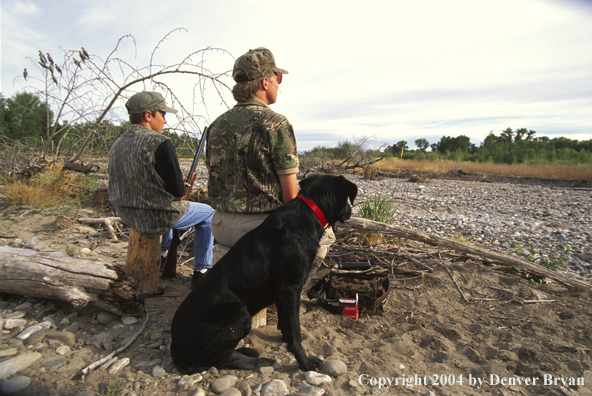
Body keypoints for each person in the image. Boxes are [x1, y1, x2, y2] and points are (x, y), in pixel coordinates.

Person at [206, 47, 334, 258]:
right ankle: (295, 289)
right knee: (324, 235)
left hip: (219, 225)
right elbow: (290, 196)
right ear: (265, 82)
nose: (278, 84)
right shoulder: (276, 123)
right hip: (257, 231)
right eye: (278, 78)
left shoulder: (216, 124)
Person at [108, 91, 214, 288]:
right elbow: (178, 193)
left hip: (126, 214)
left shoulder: (117, 143)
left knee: (163, 203)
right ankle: (202, 271)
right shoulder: (160, 142)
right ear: (148, 116)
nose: (165, 121)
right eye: (162, 115)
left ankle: (164, 254)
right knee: (209, 214)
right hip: (154, 216)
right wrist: (180, 187)